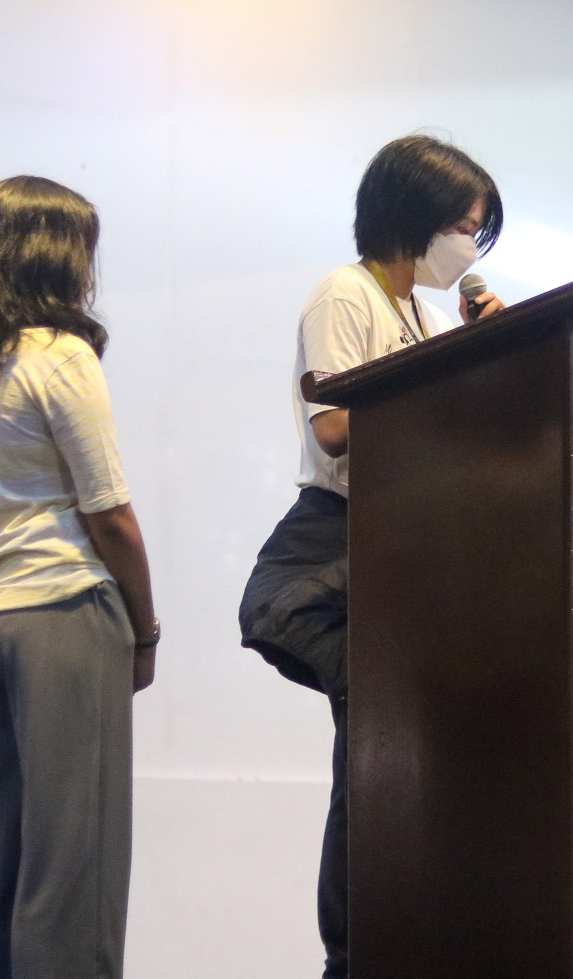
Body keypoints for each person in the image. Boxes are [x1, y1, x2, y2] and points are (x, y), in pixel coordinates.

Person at [239, 134, 506, 979]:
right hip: (331, 539)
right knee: (368, 731)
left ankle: (384, 941)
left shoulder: (428, 318)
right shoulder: (345, 293)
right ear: (411, 215)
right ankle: (350, 952)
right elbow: (333, 426)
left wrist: (491, 353)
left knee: (381, 751)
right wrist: (443, 388)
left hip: (400, 549)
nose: (469, 247)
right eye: (462, 226)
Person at [0, 176, 158, 979]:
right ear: (51, 254)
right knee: (73, 870)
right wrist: (146, 630)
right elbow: (110, 514)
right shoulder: (60, 356)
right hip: (62, 614)